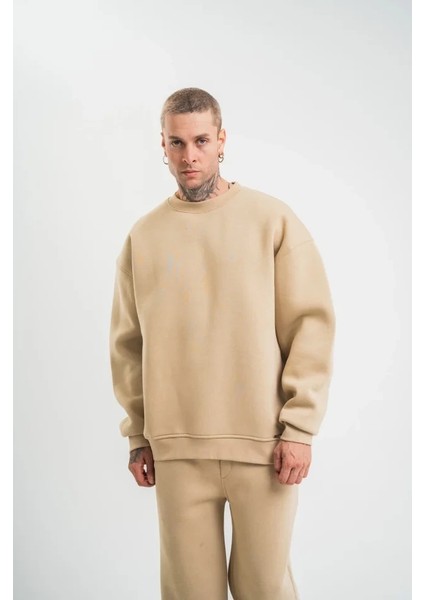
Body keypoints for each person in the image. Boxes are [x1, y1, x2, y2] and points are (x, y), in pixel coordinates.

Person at [109, 87, 336, 600]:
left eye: (201, 141)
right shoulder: (144, 236)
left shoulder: (272, 220)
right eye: (176, 143)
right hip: (176, 448)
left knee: (265, 590)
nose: (189, 156)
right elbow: (128, 344)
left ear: (222, 140)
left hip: (265, 447)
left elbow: (310, 326)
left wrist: (300, 428)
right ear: (162, 146)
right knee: (189, 593)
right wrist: (138, 434)